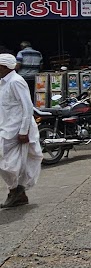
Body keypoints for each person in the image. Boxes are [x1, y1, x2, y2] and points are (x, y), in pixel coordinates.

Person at [0, 53, 43, 208]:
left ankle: (17, 191)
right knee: (8, 162)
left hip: (18, 130)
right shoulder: (3, 83)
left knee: (17, 163)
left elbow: (27, 107)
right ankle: (16, 192)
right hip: (6, 128)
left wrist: (24, 131)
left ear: (4, 67)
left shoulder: (16, 81)